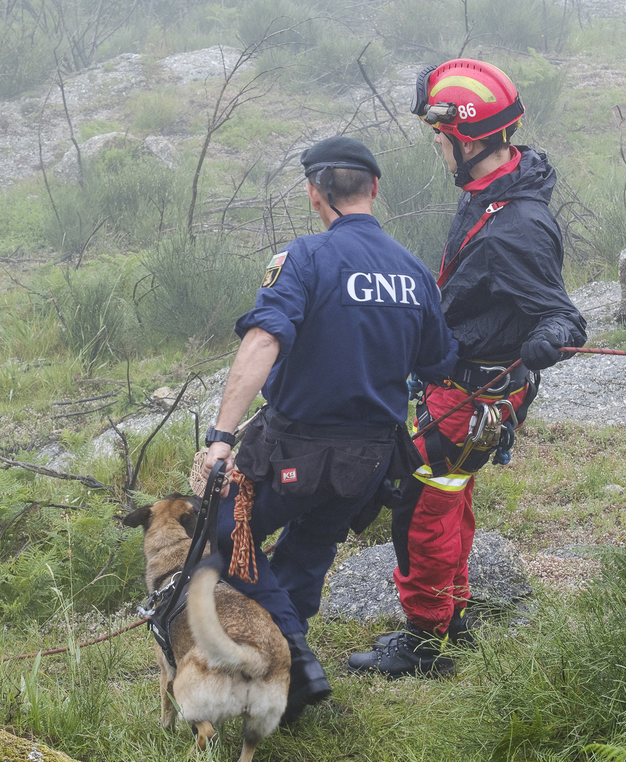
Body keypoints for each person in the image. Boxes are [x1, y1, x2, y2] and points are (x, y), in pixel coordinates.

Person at [202, 136, 459, 723]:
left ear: (316, 194)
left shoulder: (307, 259)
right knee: (309, 548)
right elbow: (440, 364)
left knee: (221, 529)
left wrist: (222, 435)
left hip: (295, 450)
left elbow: (264, 338)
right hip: (369, 463)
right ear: (374, 189)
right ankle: (283, 683)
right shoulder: (414, 272)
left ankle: (292, 655)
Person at [347, 59, 588, 678]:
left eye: (442, 138)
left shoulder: (517, 226)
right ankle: (449, 617)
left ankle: (427, 640)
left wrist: (546, 340)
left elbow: (564, 318)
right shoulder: (493, 192)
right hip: (463, 384)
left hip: (476, 392)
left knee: (422, 504)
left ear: (471, 136)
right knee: (449, 495)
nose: (439, 149)